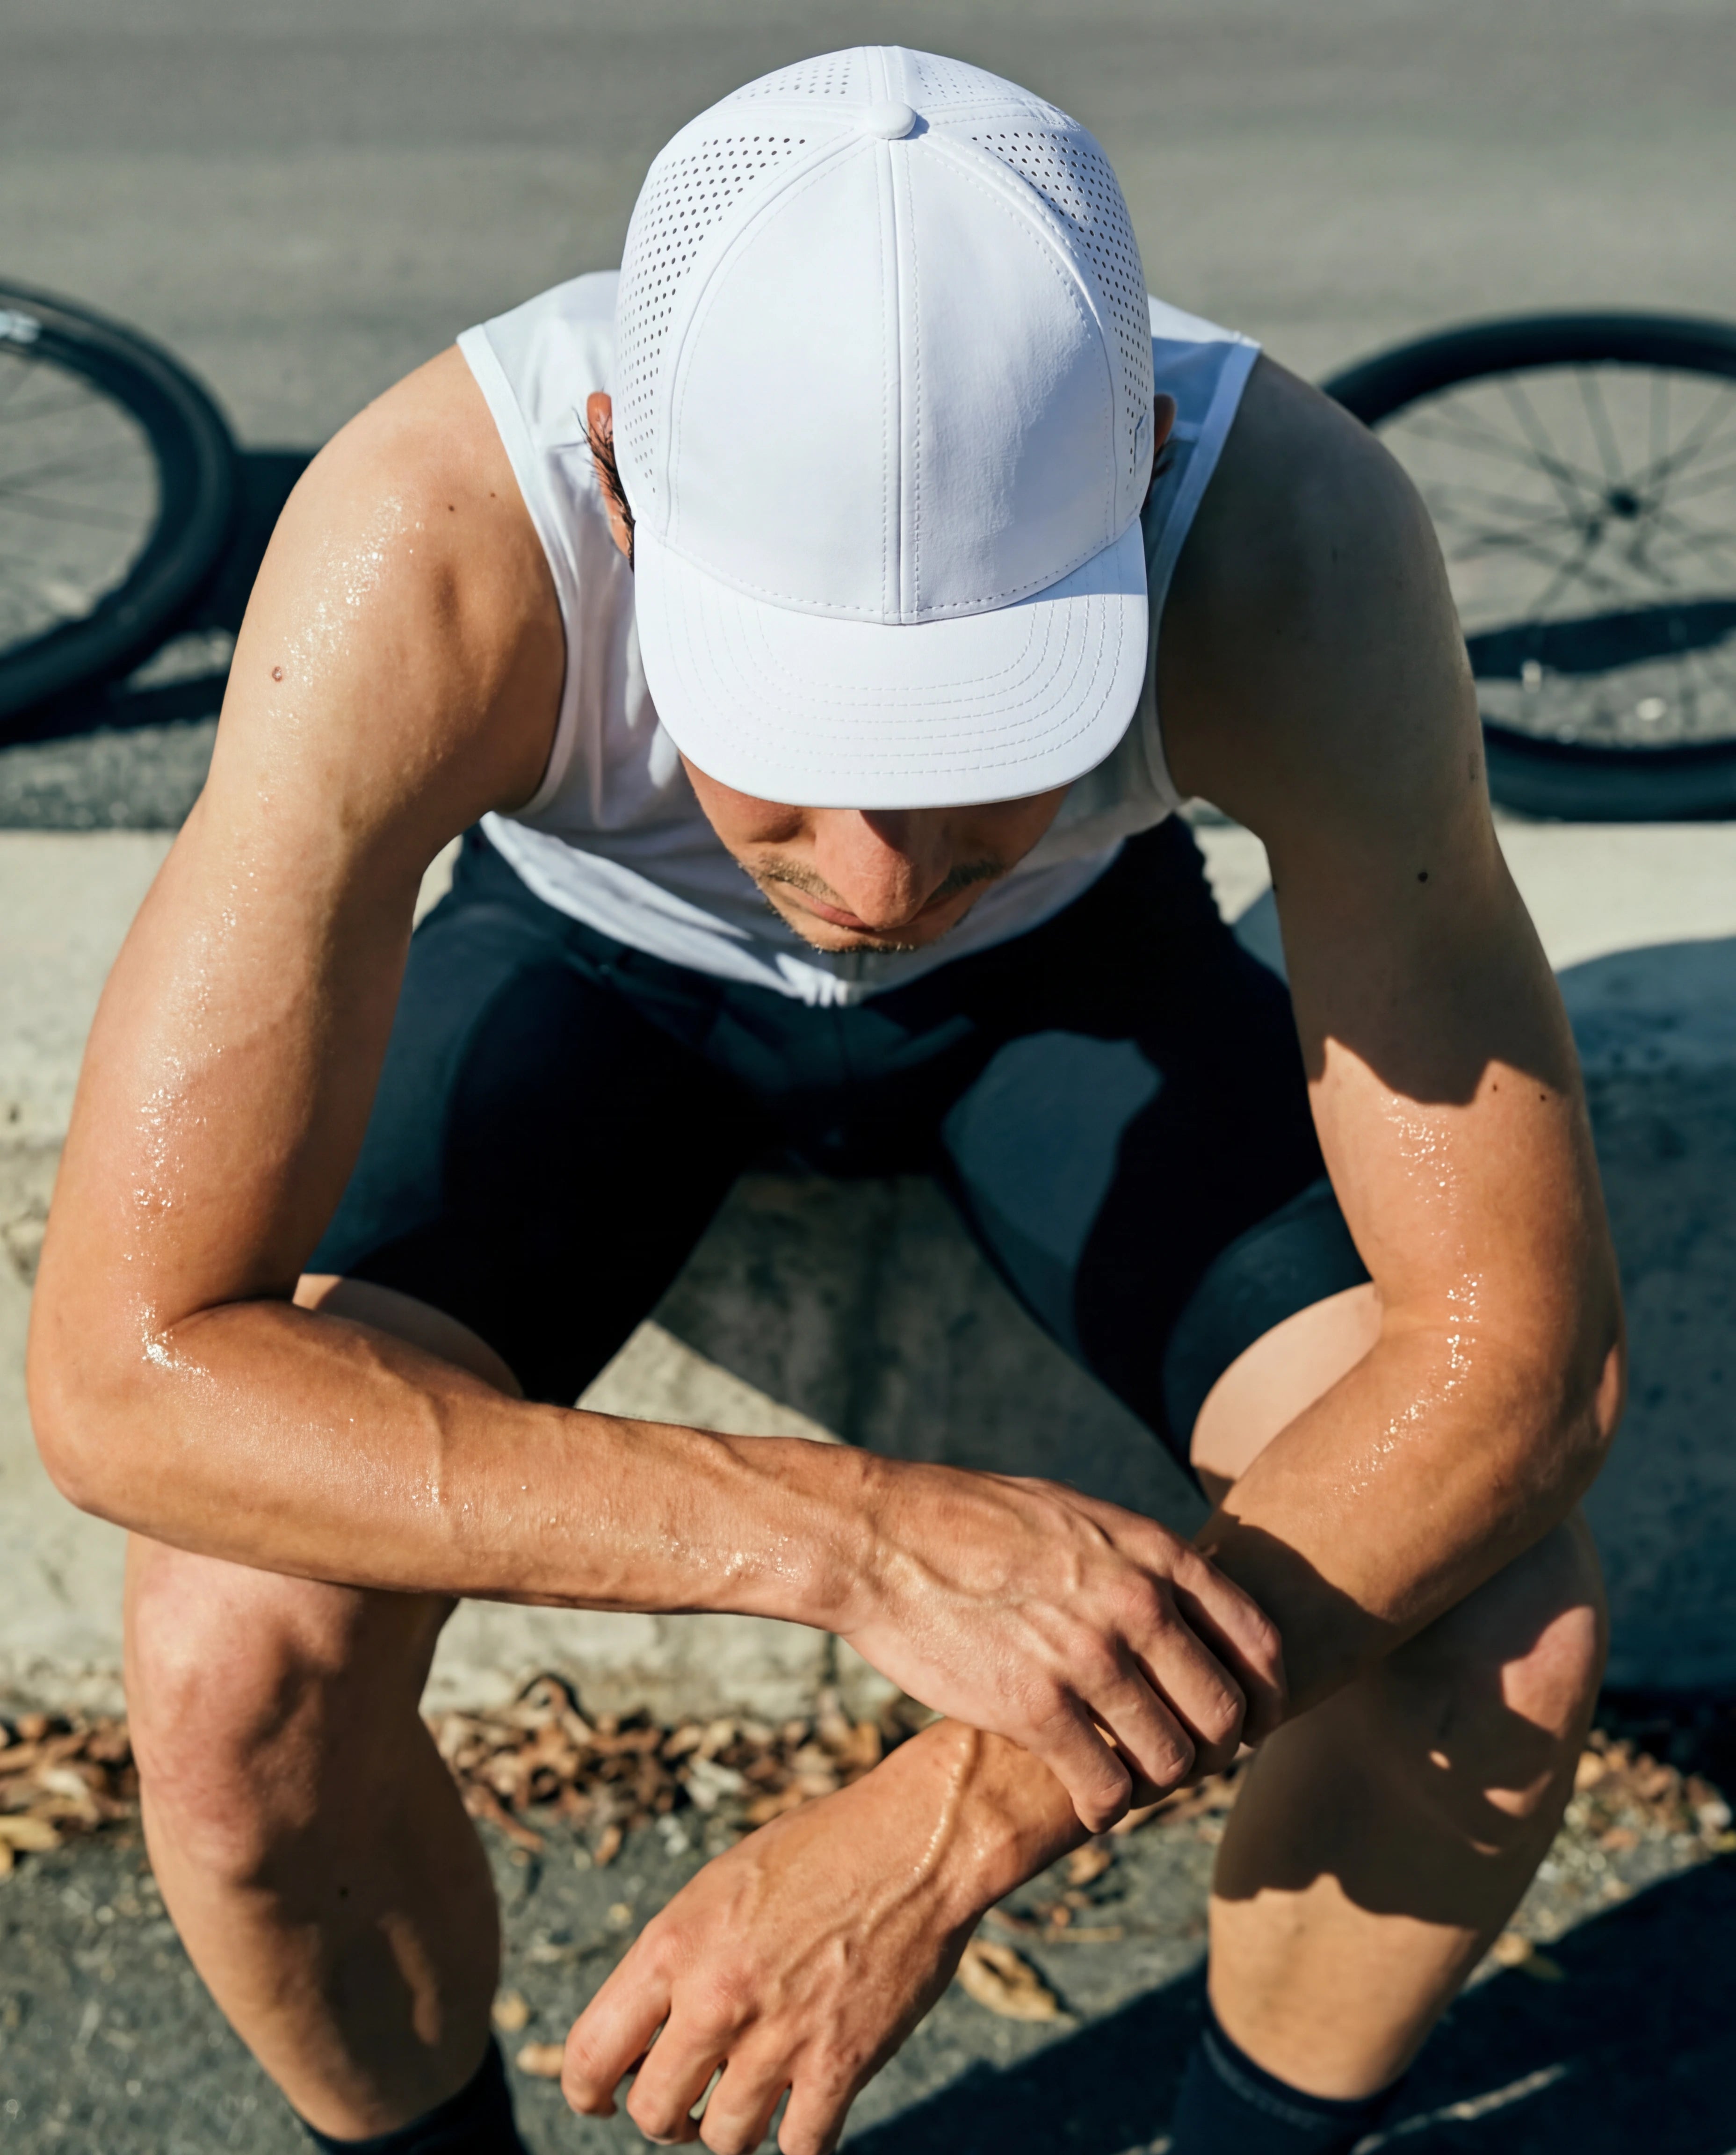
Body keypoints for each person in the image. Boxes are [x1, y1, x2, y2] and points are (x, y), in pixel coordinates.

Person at [30, 44, 1621, 2155]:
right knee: (236, 1658)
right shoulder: (430, 531)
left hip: (1073, 984)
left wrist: (959, 1816)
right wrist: (853, 1542)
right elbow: (128, 1385)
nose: (880, 874)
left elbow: (1518, 1358)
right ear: (615, 477)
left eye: (978, 734)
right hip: (593, 971)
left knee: (1500, 1624)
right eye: (788, 734)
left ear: (1138, 466)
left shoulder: (1292, 535)